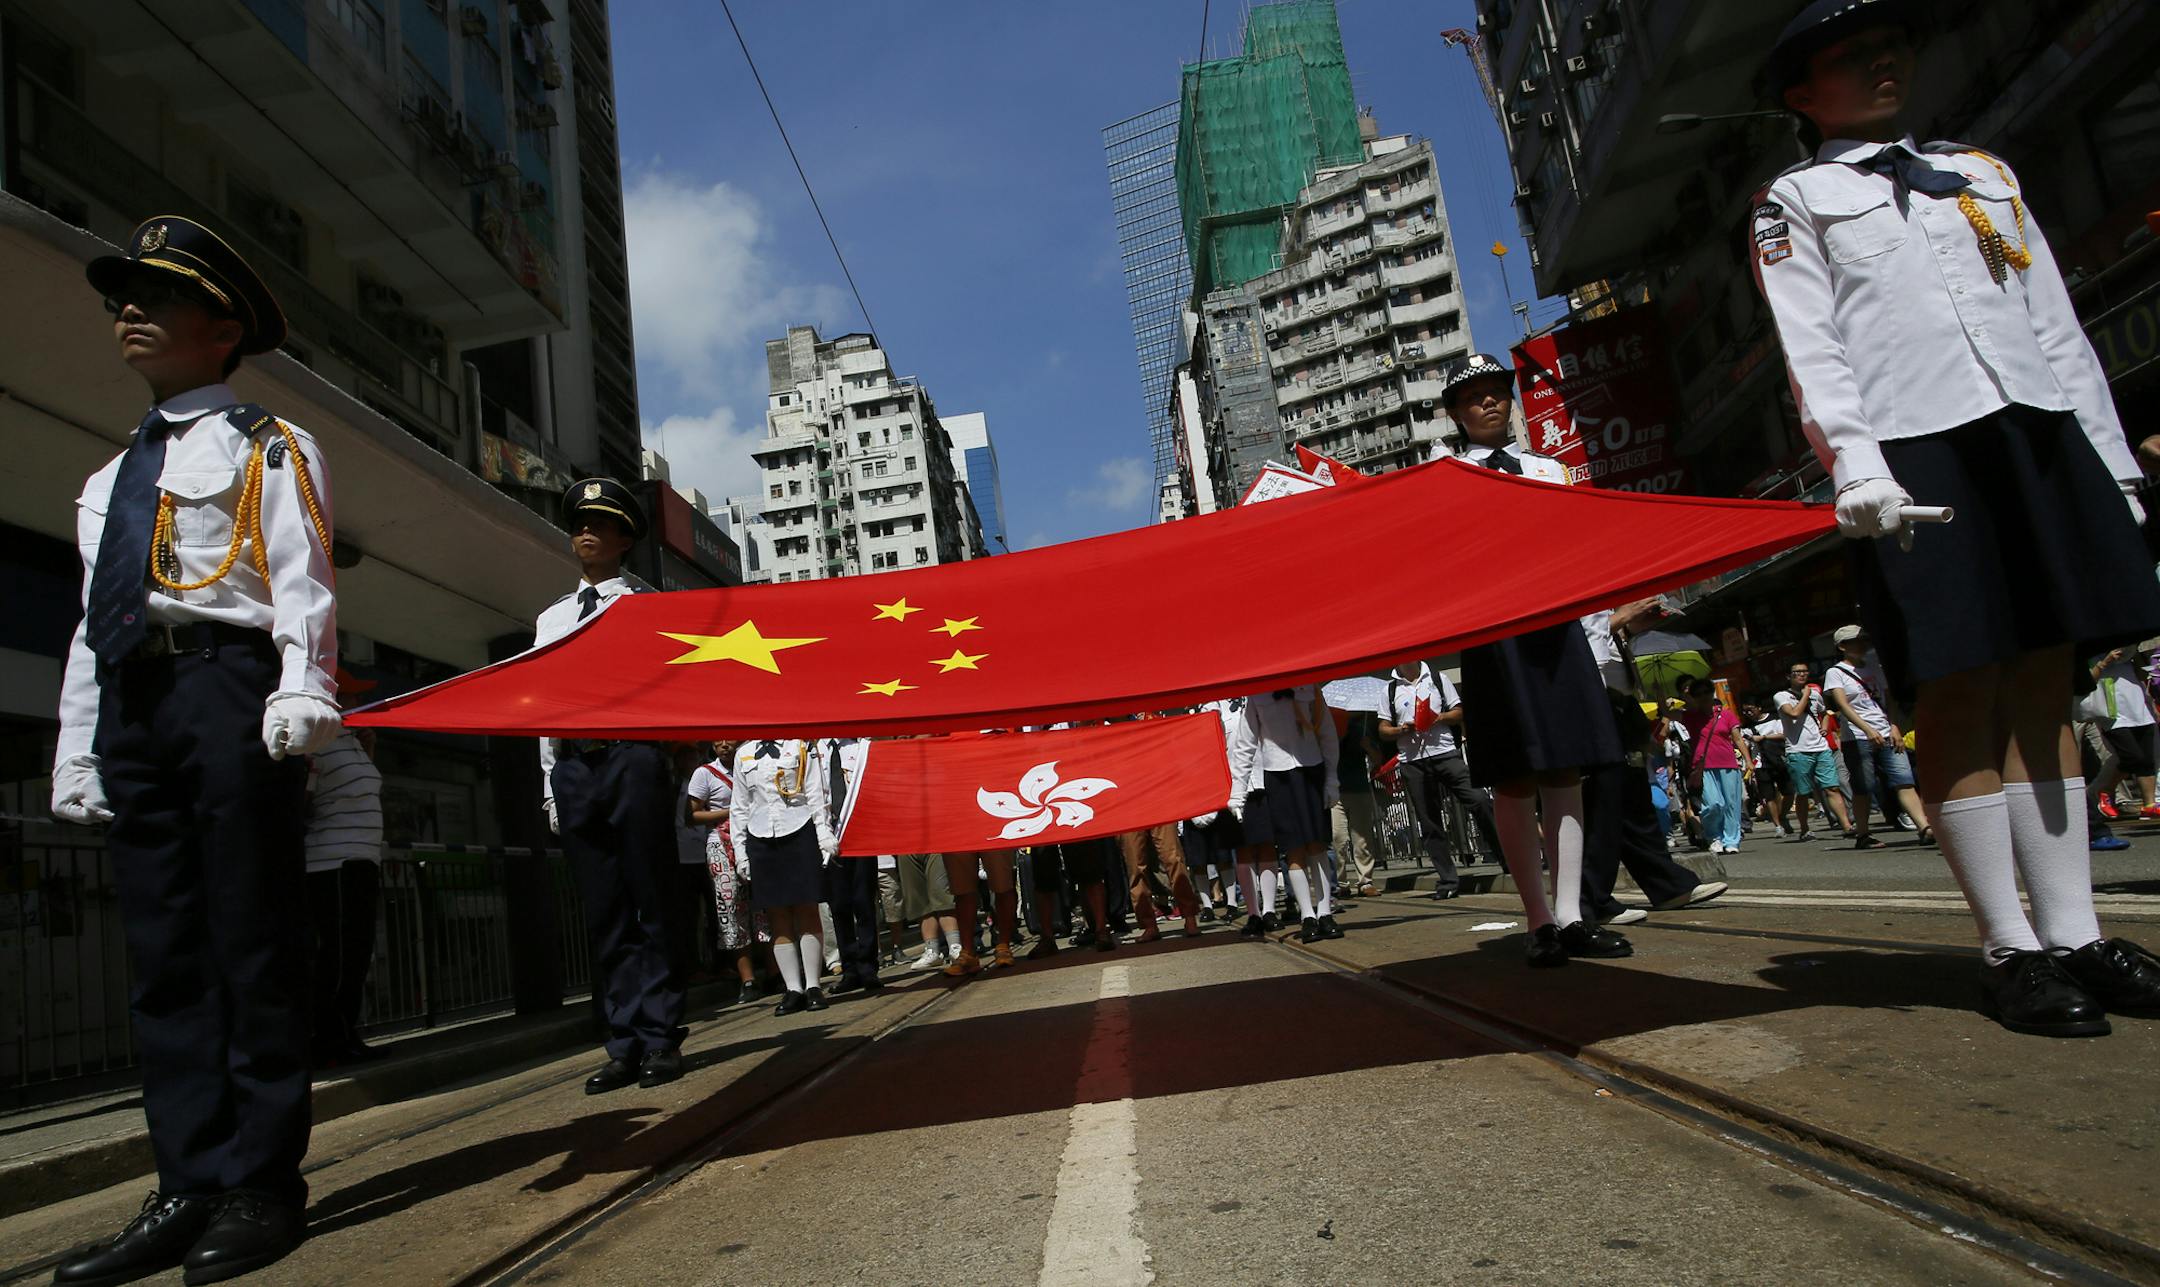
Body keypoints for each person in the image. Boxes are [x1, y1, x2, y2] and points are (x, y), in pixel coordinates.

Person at [1753, 0, 2160, 1033]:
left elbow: (2054, 322)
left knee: (2044, 675)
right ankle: (2010, 947)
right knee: (1960, 682)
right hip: (1915, 448)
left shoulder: (1982, 175)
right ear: (1804, 93)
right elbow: (1813, 345)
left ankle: (2076, 933)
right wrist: (1854, 464)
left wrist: (2107, 462)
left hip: (2030, 430)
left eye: (1892, 45)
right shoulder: (1796, 198)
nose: (1884, 63)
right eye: (1854, 56)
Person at [49, 217, 337, 1284]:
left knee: (249, 936)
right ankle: (187, 1181)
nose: (130, 310)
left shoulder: (270, 444)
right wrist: (78, 747)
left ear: (223, 329)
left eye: (157, 297)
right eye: (123, 294)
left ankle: (261, 1182)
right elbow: (93, 620)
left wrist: (303, 688)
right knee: (165, 954)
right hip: (136, 698)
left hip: (227, 685)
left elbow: (304, 582)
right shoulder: (103, 478)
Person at [1441, 354, 1632, 966]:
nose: (1490, 403)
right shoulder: (1445, 478)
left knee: (1565, 771)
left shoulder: (1551, 471)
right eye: (1474, 397)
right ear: (1454, 413)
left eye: (1499, 392)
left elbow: (1580, 548)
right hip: (1493, 637)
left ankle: (1573, 913)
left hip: (1555, 630)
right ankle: (1537, 918)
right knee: (1513, 778)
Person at [536, 480, 688, 1091]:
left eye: (602, 523)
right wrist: (551, 782)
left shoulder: (647, 609)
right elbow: (540, 703)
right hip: (576, 766)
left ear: (626, 538)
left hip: (633, 758)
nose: (587, 532)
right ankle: (622, 1040)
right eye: (579, 522)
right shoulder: (550, 618)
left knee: (651, 899)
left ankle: (661, 1037)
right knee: (604, 910)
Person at [304, 686, 385, 1068]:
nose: (358, 702)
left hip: (362, 857)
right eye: (352, 696)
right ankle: (328, 1037)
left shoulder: (353, 740)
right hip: (331, 860)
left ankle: (345, 1031)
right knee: (335, 956)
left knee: (356, 954)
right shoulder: (316, 739)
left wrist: (367, 752)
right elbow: (307, 796)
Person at [731, 738, 839, 1014]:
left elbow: (816, 792)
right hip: (761, 836)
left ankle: (814, 986)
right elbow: (740, 807)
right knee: (776, 915)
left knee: (807, 908)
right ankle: (793, 989)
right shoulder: (744, 753)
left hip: (799, 831)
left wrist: (823, 833)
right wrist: (740, 852)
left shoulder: (801, 745)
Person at [1229, 686, 1343, 942]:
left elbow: (1327, 734)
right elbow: (1245, 744)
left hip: (1311, 769)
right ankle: (1308, 915)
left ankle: (1325, 912)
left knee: (1317, 844)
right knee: (1293, 847)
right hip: (1277, 775)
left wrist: (1332, 779)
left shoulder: (1310, 688)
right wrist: (1238, 792)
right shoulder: (1256, 694)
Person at [1379, 660, 1500, 898]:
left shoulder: (1437, 679)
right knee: (1430, 821)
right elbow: (1383, 729)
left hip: (1445, 754)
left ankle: (1507, 858)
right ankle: (1447, 880)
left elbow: (1459, 712)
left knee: (1479, 800)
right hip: (1413, 761)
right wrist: (1401, 730)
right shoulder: (1389, 690)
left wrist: (1438, 717)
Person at [1823, 625, 1932, 848]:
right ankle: (1862, 834)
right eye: (1855, 641)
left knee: (1904, 781)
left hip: (1886, 731)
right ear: (1842, 646)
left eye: (1864, 639)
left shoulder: (1875, 666)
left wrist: (1893, 726)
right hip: (1857, 737)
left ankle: (1924, 827)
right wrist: (1867, 729)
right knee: (1864, 786)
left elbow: (1889, 699)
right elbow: (1842, 705)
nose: (1862, 644)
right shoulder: (1836, 672)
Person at [686, 742, 760, 1008]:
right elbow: (692, 814)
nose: (724, 745)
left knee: (763, 905)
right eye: (718, 741)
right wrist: (732, 812)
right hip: (720, 841)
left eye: (729, 739)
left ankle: (776, 971)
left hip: (756, 837)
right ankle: (748, 979)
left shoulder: (752, 763)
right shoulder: (704, 774)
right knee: (731, 907)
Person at [818, 737, 884, 992]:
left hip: (861, 833)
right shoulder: (813, 750)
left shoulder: (861, 746)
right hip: (828, 837)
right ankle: (850, 968)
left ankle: (868, 966)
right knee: (839, 904)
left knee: (864, 901)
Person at [1774, 661, 1852, 839]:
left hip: (1821, 747)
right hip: (1798, 750)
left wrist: (1824, 727)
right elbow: (1793, 713)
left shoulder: (1816, 694)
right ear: (1789, 676)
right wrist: (1805, 695)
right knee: (1803, 793)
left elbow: (1824, 712)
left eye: (1804, 672)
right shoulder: (1781, 696)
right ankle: (1804, 829)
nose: (1801, 675)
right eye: (1796, 672)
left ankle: (1847, 826)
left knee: (1832, 787)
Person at [2086, 646, 2159, 821]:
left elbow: (2143, 677)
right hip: (2112, 713)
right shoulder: (2091, 653)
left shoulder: (2129, 653)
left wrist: (2136, 657)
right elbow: (2087, 681)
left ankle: (2149, 804)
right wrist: (2106, 661)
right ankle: (2104, 791)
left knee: (2147, 760)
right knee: (2131, 757)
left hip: (2140, 708)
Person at [1679, 679, 1746, 855]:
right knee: (1714, 804)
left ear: (1712, 693)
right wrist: (1660, 693)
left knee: (1732, 804)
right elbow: (1666, 712)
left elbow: (1737, 738)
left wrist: (1749, 761)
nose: (1703, 697)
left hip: (1729, 764)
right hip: (1703, 766)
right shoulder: (1691, 717)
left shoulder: (1727, 714)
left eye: (1705, 692)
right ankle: (1714, 836)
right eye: (1698, 694)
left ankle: (1731, 840)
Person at [1330, 708, 1386, 897]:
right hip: (1334, 792)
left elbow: (1378, 759)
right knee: (1337, 838)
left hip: (1358, 788)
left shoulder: (1360, 729)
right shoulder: (1326, 729)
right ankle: (1341, 882)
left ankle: (1365, 881)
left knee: (1362, 839)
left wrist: (1368, 747)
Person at [1742, 700, 1795, 836]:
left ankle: (1783, 815)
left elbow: (1784, 734)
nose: (1748, 713)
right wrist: (1749, 763)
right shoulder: (1745, 727)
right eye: (1745, 711)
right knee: (1768, 796)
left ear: (1759, 707)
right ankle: (1778, 825)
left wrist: (1764, 737)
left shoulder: (1775, 719)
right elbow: (1745, 745)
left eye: (1750, 709)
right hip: (1760, 764)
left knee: (1789, 792)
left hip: (1779, 760)